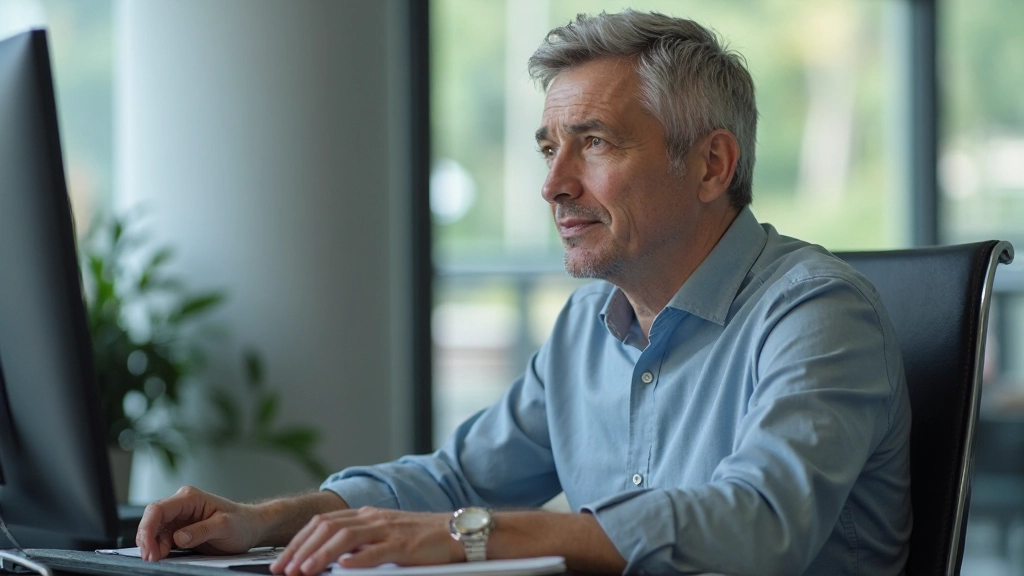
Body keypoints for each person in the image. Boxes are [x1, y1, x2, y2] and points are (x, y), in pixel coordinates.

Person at [136, 11, 911, 576]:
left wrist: (469, 536)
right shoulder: (586, 326)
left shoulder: (817, 313)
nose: (553, 185)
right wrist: (266, 520)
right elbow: (454, 479)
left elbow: (760, 524)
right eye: (549, 147)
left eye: (596, 142)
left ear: (711, 166)